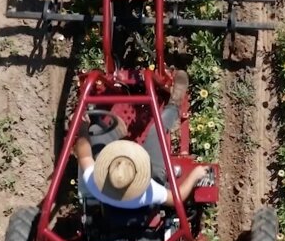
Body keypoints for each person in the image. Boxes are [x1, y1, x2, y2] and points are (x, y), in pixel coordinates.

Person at [73, 69, 209, 209]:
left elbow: (84, 156)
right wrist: (195, 175)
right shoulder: (148, 191)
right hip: (148, 189)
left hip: (110, 212)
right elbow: (176, 199)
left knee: (95, 131)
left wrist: (83, 127)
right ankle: (174, 104)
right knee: (157, 130)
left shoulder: (96, 184)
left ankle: (117, 131)